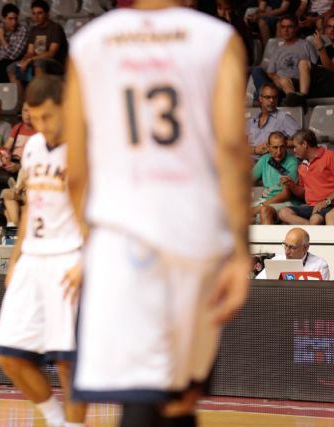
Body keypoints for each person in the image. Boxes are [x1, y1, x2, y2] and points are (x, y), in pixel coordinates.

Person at [63, 2, 252, 426]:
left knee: (140, 397)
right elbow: (232, 151)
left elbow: (76, 170)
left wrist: (89, 244)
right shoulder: (216, 38)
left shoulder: (91, 42)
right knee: (179, 400)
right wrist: (241, 253)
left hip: (121, 238)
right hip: (197, 236)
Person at [0, 76, 86, 427]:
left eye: (49, 117)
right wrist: (16, 258)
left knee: (67, 359)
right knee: (9, 353)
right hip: (32, 256)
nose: (43, 126)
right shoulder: (32, 147)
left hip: (69, 256)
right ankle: (56, 419)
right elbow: (32, 204)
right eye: (36, 119)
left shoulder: (84, 147)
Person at [278, 129, 334, 225]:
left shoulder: (330, 156)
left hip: (330, 205)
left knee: (317, 219)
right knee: (283, 212)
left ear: (304, 144)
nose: (294, 151)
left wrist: (326, 202)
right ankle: (310, 228)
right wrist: (291, 185)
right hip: (311, 207)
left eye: (295, 147)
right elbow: (303, 193)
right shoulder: (302, 166)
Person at [10, 0, 68, 88]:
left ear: (47, 14)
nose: (36, 17)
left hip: (56, 64)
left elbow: (51, 53)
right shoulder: (34, 30)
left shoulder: (55, 28)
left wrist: (30, 60)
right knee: (13, 67)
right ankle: (22, 98)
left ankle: (40, 96)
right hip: (36, 61)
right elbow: (30, 51)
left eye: (40, 13)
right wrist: (25, 60)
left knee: (39, 63)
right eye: (34, 14)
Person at [252, 131, 300, 224]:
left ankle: (267, 239)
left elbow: (286, 195)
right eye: (275, 147)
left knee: (264, 211)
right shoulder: (265, 159)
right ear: (268, 147)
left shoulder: (292, 162)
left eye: (282, 147)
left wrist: (260, 206)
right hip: (266, 200)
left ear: (286, 146)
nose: (279, 152)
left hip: (287, 203)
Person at [247, 83, 299, 158]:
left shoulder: (284, 118)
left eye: (275, 97)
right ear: (260, 99)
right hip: (248, 162)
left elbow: (301, 140)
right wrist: (255, 150)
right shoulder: (252, 121)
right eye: (268, 97)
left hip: (270, 164)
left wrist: (275, 144)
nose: (272, 101)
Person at [256, 227, 330, 279]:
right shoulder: (276, 261)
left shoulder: (319, 265)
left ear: (305, 248)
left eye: (292, 247)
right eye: (286, 245)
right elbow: (258, 284)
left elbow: (321, 296)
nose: (287, 252)